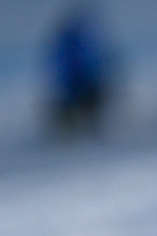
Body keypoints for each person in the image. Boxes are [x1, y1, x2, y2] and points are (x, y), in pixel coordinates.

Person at [44, 7, 116, 139]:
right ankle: (78, 130)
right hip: (77, 90)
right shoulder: (80, 45)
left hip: (77, 90)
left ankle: (80, 129)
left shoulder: (66, 46)